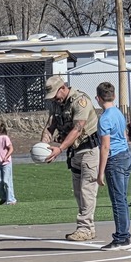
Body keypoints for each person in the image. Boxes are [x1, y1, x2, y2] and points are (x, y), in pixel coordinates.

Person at [41, 75, 100, 241]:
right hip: (74, 152)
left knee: (87, 191)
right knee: (78, 192)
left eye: (55, 95)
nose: (54, 99)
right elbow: (50, 125)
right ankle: (88, 227)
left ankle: (85, 228)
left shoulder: (80, 101)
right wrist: (43, 146)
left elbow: (77, 129)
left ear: (62, 88)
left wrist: (59, 149)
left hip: (89, 150)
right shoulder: (56, 104)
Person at [95, 82, 131, 250]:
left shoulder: (105, 118)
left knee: (118, 201)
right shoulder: (118, 113)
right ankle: (124, 234)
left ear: (98, 98)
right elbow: (124, 135)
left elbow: (105, 146)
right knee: (122, 199)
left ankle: (121, 237)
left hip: (115, 159)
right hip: (126, 155)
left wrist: (100, 172)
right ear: (114, 96)